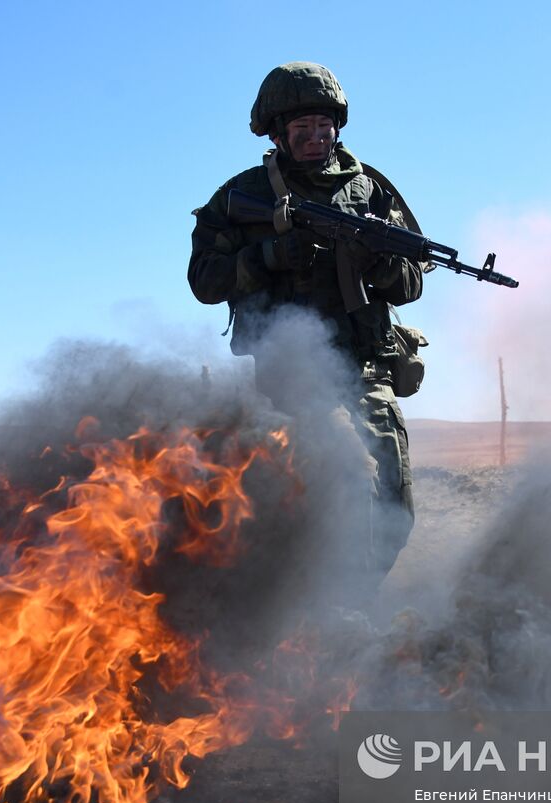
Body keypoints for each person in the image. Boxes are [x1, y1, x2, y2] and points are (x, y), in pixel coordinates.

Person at [188, 61, 424, 579]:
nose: (317, 138)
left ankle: (351, 601)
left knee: (393, 507)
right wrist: (270, 255)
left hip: (367, 370)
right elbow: (205, 280)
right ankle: (335, 622)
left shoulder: (370, 190)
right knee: (344, 479)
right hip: (290, 379)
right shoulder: (241, 196)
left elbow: (413, 281)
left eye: (324, 127)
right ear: (277, 133)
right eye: (302, 130)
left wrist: (379, 259)